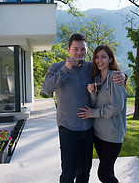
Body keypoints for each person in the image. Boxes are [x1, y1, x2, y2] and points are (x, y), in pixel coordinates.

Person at [42, 34, 126, 183]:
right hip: (67, 128)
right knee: (69, 173)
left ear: (86, 51)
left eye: (83, 49)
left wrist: (124, 76)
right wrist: (66, 68)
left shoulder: (90, 67)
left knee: (84, 172)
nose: (79, 53)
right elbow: (46, 89)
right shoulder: (57, 67)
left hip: (88, 130)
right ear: (68, 49)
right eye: (75, 49)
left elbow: (107, 71)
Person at [77, 45, 127, 183]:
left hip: (113, 134)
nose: (100, 60)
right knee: (109, 172)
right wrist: (92, 93)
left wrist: (92, 113)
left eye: (104, 57)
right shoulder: (97, 78)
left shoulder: (115, 78)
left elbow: (116, 107)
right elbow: (96, 104)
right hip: (98, 134)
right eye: (97, 57)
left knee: (103, 175)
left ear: (110, 59)